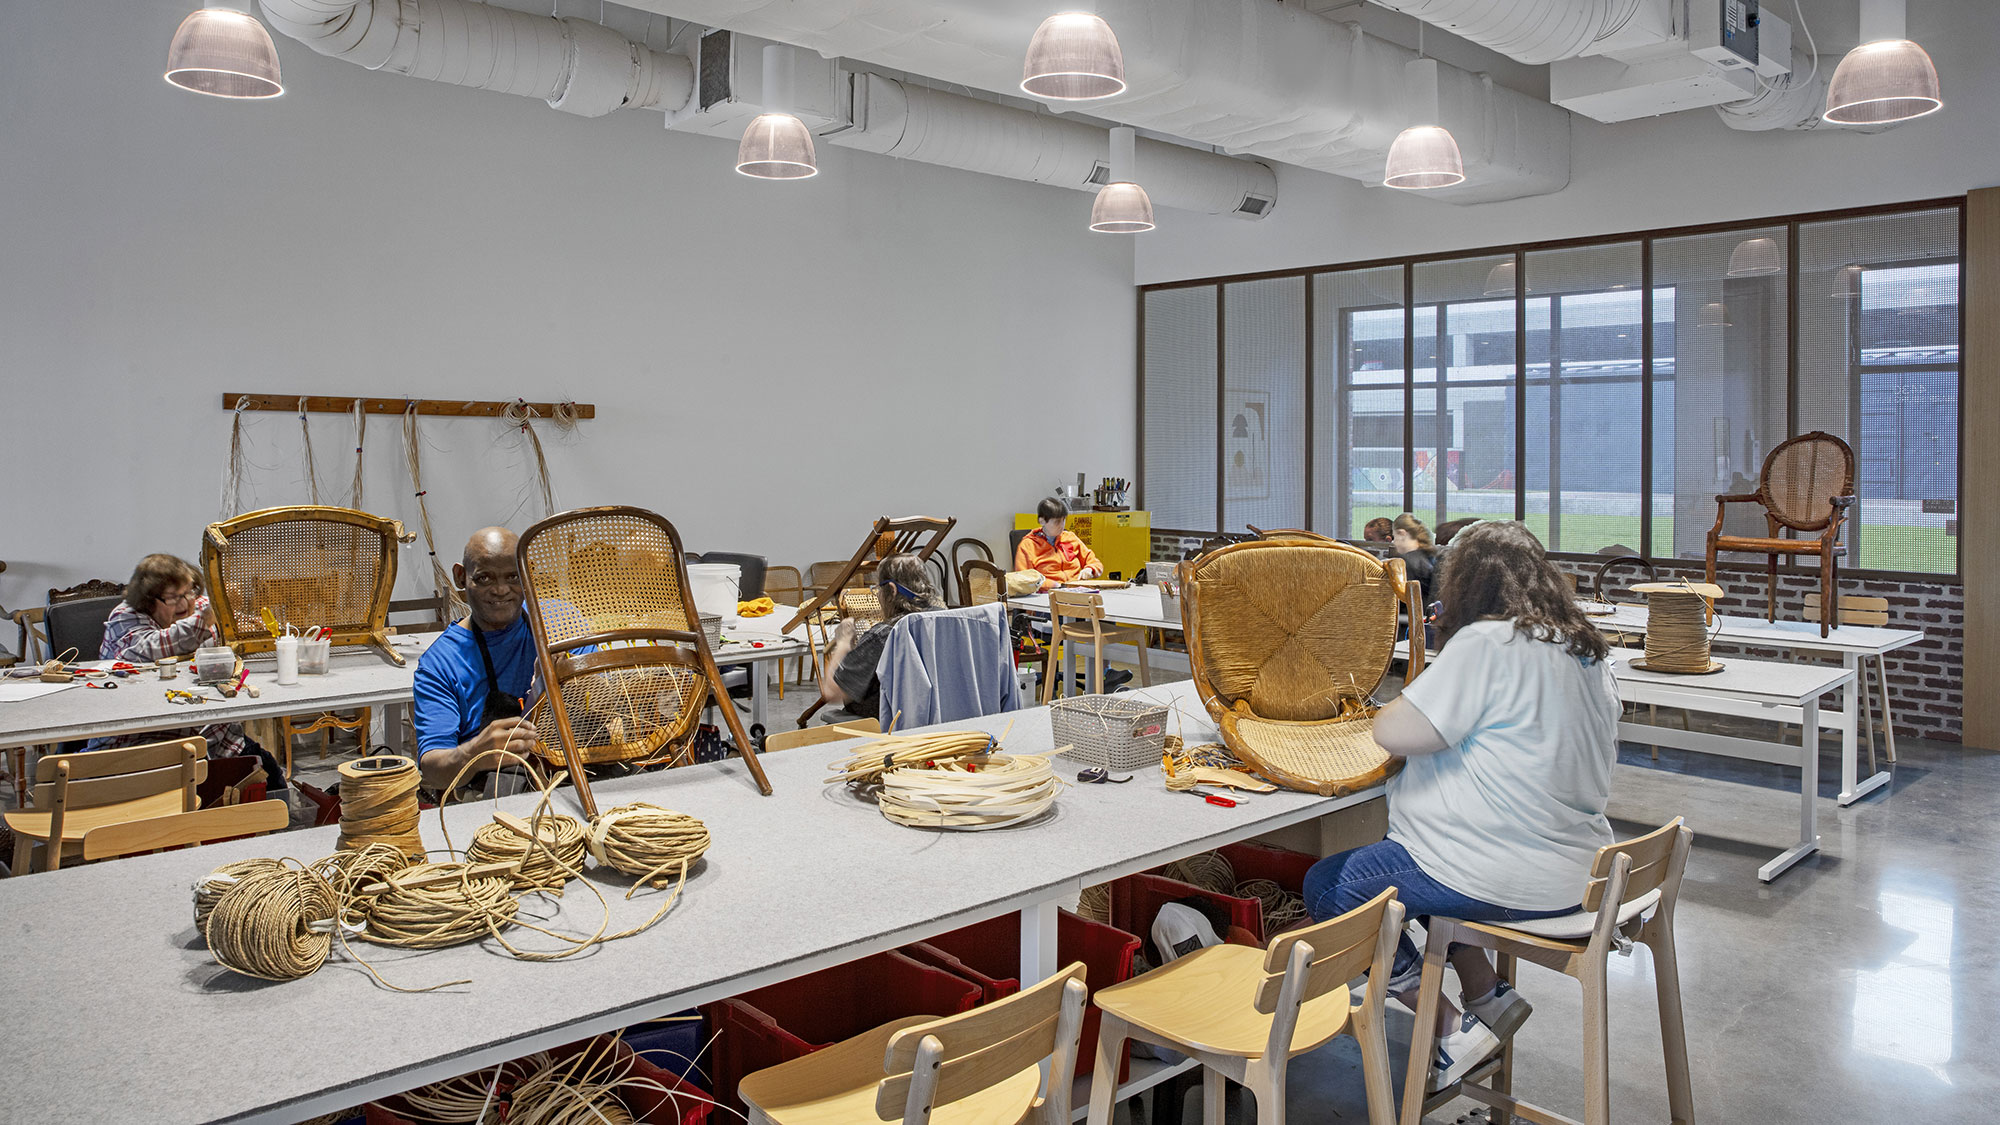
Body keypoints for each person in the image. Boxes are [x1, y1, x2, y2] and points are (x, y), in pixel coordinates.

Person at [1300, 521, 1619, 1091]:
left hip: (1503, 873)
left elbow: (1395, 731)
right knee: (1409, 877)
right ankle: (1486, 993)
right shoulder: (1584, 651)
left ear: (1466, 583)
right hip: (1580, 873)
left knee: (1333, 885)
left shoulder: (1488, 643)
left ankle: (1449, 1027)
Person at [93, 553, 287, 794]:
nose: (185, 603)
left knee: (270, 775)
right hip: (143, 747)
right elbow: (154, 647)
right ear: (148, 600)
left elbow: (237, 625)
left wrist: (251, 626)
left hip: (209, 736)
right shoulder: (125, 617)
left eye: (189, 592)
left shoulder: (200, 605)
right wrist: (207, 619)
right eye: (173, 598)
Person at [412, 527, 541, 792]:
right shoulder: (441, 663)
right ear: (461, 577)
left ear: (528, 574)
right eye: (484, 579)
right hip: (490, 794)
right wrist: (472, 754)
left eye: (513, 577)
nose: (501, 590)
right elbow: (432, 771)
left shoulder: (555, 623)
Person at [817, 553, 946, 721]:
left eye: (878, 589)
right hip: (938, 715)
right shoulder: (946, 619)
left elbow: (832, 692)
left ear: (891, 590)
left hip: (889, 721)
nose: (877, 595)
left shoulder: (884, 634)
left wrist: (842, 644)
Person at [1014, 497, 1103, 590]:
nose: (1062, 526)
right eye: (1057, 522)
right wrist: (1054, 585)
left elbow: (1094, 562)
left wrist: (1090, 569)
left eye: (1063, 520)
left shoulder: (1070, 538)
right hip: (1047, 593)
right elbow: (1024, 579)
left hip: (1076, 589)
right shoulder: (1028, 545)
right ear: (1042, 521)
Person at [1393, 513, 1439, 593]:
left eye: (1395, 536)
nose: (1394, 542)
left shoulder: (1404, 562)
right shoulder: (1431, 556)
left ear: (1402, 533)